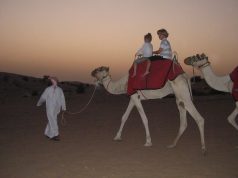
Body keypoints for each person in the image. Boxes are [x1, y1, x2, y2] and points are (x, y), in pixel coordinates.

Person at [37, 76, 66, 141]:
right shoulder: (48, 89)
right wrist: (39, 103)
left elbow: (62, 99)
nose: (54, 81)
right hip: (49, 107)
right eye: (52, 80)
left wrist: (64, 107)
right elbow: (43, 97)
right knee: (53, 120)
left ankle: (47, 133)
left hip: (57, 108)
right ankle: (55, 135)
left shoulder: (60, 90)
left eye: (54, 80)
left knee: (52, 120)